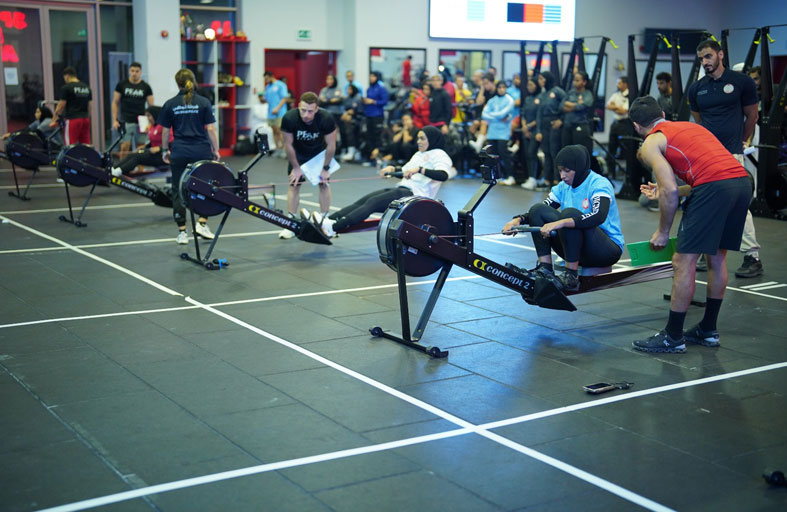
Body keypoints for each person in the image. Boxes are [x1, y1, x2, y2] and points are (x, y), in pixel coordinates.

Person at [628, 95, 751, 353]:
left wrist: (662, 231)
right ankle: (708, 330)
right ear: (663, 114)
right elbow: (704, 177)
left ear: (637, 126)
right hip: (741, 183)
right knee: (717, 257)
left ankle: (673, 337)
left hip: (715, 188)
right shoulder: (689, 126)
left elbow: (671, 190)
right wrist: (663, 189)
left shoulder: (651, 141)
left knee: (683, 261)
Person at [502, 145, 624, 292]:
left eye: (567, 170)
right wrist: (518, 220)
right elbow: (542, 209)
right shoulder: (562, 187)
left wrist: (561, 223)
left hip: (606, 250)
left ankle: (570, 275)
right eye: (560, 170)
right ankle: (545, 269)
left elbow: (598, 216)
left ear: (579, 168)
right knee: (538, 210)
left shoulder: (599, 184)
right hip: (578, 248)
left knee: (569, 214)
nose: (562, 176)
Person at [688, 39, 762, 278]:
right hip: (705, 156)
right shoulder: (696, 88)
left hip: (731, 153)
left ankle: (752, 256)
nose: (705, 62)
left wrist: (741, 141)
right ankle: (706, 250)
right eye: (701, 58)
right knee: (706, 202)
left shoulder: (741, 82)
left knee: (737, 205)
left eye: (708, 56)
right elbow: (699, 121)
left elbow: (752, 115)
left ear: (720, 54)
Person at [311, 126, 455, 238]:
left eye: (422, 139)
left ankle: (333, 228)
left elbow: (443, 175)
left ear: (432, 139)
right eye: (418, 138)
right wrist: (392, 169)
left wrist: (420, 169)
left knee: (373, 203)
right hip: (403, 190)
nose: (418, 141)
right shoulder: (419, 154)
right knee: (364, 200)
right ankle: (328, 220)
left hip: (415, 196)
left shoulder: (440, 154)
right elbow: (405, 171)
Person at [159, 69, 219, 245]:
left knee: (178, 189)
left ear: (177, 83)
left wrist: (164, 150)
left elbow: (165, 131)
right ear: (193, 81)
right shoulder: (203, 102)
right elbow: (210, 129)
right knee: (206, 186)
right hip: (201, 151)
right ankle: (202, 223)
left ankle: (182, 232)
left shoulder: (170, 104)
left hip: (180, 152)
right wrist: (216, 149)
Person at [280, 91, 338, 239]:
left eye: (310, 111)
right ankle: (291, 224)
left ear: (316, 109)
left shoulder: (326, 118)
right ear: (298, 106)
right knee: (294, 184)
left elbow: (331, 145)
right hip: (298, 154)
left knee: (324, 184)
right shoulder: (289, 118)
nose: (306, 115)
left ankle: (325, 222)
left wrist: (325, 168)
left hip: (319, 155)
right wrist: (296, 168)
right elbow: (288, 145)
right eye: (303, 110)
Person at [112, 62, 154, 160]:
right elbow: (115, 103)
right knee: (125, 146)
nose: (134, 73)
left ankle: (140, 169)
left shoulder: (146, 87)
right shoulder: (122, 85)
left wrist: (151, 123)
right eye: (132, 71)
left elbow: (151, 106)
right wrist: (114, 120)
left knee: (141, 148)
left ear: (140, 72)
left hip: (141, 121)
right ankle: (122, 167)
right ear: (129, 71)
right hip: (126, 119)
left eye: (137, 71)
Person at [111, 106, 169, 177]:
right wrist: (145, 146)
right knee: (132, 154)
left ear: (155, 115)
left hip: (164, 156)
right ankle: (113, 169)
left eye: (149, 116)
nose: (148, 118)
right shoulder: (153, 127)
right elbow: (154, 142)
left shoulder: (164, 127)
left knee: (137, 157)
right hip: (155, 154)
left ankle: (118, 172)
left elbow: (172, 143)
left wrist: (160, 148)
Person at [535, 71, 567, 188]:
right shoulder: (542, 95)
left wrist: (561, 120)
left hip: (554, 123)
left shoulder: (558, 91)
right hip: (544, 124)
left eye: (542, 79)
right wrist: (538, 131)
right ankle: (547, 179)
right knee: (546, 152)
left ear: (548, 79)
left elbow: (565, 106)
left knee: (555, 152)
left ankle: (557, 179)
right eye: (539, 79)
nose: (540, 81)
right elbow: (539, 114)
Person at [482, 80, 516, 186]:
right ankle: (499, 176)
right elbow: (484, 114)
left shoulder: (509, 100)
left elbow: (503, 114)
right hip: (492, 131)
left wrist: (492, 116)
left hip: (503, 132)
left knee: (504, 154)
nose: (501, 89)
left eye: (503, 87)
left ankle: (510, 176)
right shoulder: (492, 100)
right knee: (494, 156)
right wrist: (497, 117)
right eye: (499, 87)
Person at [52, 67, 92, 145]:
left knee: (70, 146)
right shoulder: (86, 88)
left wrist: (54, 119)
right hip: (85, 119)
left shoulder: (67, 88)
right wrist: (87, 116)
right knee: (86, 145)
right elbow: (90, 106)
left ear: (67, 76)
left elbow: (60, 106)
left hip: (73, 120)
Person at [560, 71, 594, 159]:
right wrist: (576, 104)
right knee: (566, 152)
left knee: (579, 152)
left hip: (580, 125)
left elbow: (584, 106)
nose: (574, 82)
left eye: (577, 80)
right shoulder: (570, 93)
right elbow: (561, 105)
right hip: (567, 126)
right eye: (574, 80)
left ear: (584, 82)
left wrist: (570, 105)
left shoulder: (587, 94)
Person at [605, 76, 633, 177]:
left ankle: (627, 173)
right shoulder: (616, 94)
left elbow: (624, 111)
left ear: (625, 84)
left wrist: (615, 107)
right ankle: (611, 172)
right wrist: (617, 107)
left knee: (626, 149)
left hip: (625, 124)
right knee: (611, 148)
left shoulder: (630, 96)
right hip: (615, 123)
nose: (617, 85)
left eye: (619, 83)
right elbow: (608, 106)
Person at [362, 71, 389, 163]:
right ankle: (371, 158)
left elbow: (385, 101)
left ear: (377, 77)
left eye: (373, 76)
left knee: (378, 137)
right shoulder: (369, 88)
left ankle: (378, 157)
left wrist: (373, 102)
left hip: (377, 115)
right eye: (370, 76)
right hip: (368, 114)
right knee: (369, 136)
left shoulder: (381, 88)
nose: (371, 78)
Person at [519, 78, 541, 190]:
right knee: (527, 154)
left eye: (531, 85)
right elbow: (523, 113)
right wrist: (524, 126)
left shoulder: (540, 98)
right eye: (528, 85)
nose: (529, 87)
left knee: (532, 153)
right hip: (526, 130)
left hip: (535, 130)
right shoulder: (527, 99)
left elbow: (539, 116)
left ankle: (534, 178)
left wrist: (529, 126)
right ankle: (530, 177)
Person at [263, 71, 289, 157]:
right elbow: (266, 98)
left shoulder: (281, 85)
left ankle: (284, 150)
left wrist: (277, 108)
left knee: (280, 131)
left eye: (267, 78)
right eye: (265, 79)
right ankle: (278, 149)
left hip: (280, 112)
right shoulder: (267, 87)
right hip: (270, 113)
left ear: (271, 76)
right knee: (274, 131)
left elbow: (284, 98)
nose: (266, 80)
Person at [318, 74, 345, 147]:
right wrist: (332, 101)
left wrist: (328, 101)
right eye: (328, 79)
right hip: (327, 114)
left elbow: (341, 100)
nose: (329, 81)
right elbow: (321, 102)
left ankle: (340, 147)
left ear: (334, 80)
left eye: (331, 79)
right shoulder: (324, 90)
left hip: (338, 114)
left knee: (341, 130)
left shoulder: (338, 89)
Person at [339, 84, 364, 162]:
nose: (348, 91)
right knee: (343, 127)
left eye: (350, 89)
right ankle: (347, 150)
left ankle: (353, 151)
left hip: (358, 119)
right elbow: (345, 109)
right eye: (347, 89)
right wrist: (346, 114)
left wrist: (352, 114)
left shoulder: (358, 98)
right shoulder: (347, 98)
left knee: (351, 129)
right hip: (348, 118)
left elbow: (359, 111)